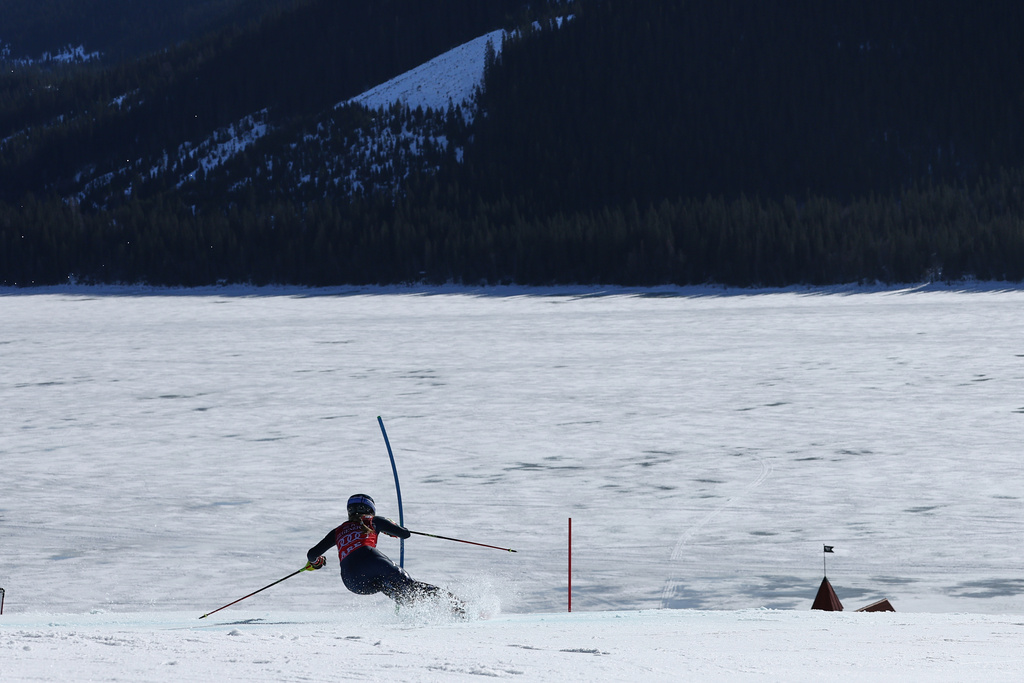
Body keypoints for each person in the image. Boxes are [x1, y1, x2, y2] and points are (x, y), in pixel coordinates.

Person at [306, 493, 464, 615]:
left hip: (351, 581)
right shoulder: (373, 521)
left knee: (386, 585)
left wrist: (316, 562)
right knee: (409, 586)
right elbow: (405, 534)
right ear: (370, 509)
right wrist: (391, 526)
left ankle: (420, 614)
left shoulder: (337, 531)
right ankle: (457, 606)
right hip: (370, 559)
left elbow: (312, 554)